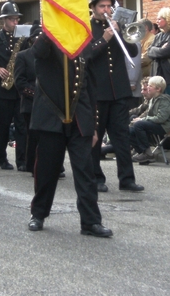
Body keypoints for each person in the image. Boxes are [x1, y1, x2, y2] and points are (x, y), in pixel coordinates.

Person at [27, 31, 112, 237]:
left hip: (79, 119)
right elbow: (37, 52)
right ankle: (38, 214)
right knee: (47, 171)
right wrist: (50, 31)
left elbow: (89, 88)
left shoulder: (83, 46)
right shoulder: (46, 42)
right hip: (51, 118)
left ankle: (90, 222)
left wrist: (92, 125)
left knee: (85, 171)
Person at [89, 0, 143, 193]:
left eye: (109, 6)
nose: (106, 10)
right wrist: (105, 38)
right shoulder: (89, 28)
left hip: (119, 91)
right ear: (93, 7)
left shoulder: (117, 25)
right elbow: (88, 55)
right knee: (96, 136)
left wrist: (121, 33)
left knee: (121, 136)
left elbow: (132, 50)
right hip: (98, 92)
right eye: (102, 6)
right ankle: (96, 177)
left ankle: (127, 179)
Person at [0, 1, 28, 171]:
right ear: (3, 20)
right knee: (2, 126)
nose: (15, 22)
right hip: (2, 89)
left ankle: (22, 160)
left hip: (18, 90)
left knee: (21, 126)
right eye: (12, 19)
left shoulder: (22, 37)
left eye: (16, 19)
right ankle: (1, 157)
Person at [148, 7, 170, 143]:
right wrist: (158, 49)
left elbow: (164, 52)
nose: (157, 20)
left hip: (169, 76)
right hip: (157, 75)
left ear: (167, 20)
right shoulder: (159, 36)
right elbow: (150, 52)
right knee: (158, 105)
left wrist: (158, 50)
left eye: (160, 18)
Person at [130, 76, 170, 164]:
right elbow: (148, 114)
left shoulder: (164, 100)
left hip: (164, 126)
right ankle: (142, 153)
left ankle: (148, 154)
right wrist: (139, 119)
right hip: (156, 123)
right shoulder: (153, 100)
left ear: (158, 89)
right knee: (129, 130)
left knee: (139, 125)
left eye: (150, 86)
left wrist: (143, 119)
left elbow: (161, 118)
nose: (147, 87)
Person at [14, 23, 41, 174]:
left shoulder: (49, 56)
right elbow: (20, 82)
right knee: (33, 137)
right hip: (30, 103)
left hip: (49, 104)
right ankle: (31, 164)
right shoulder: (23, 56)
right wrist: (37, 94)